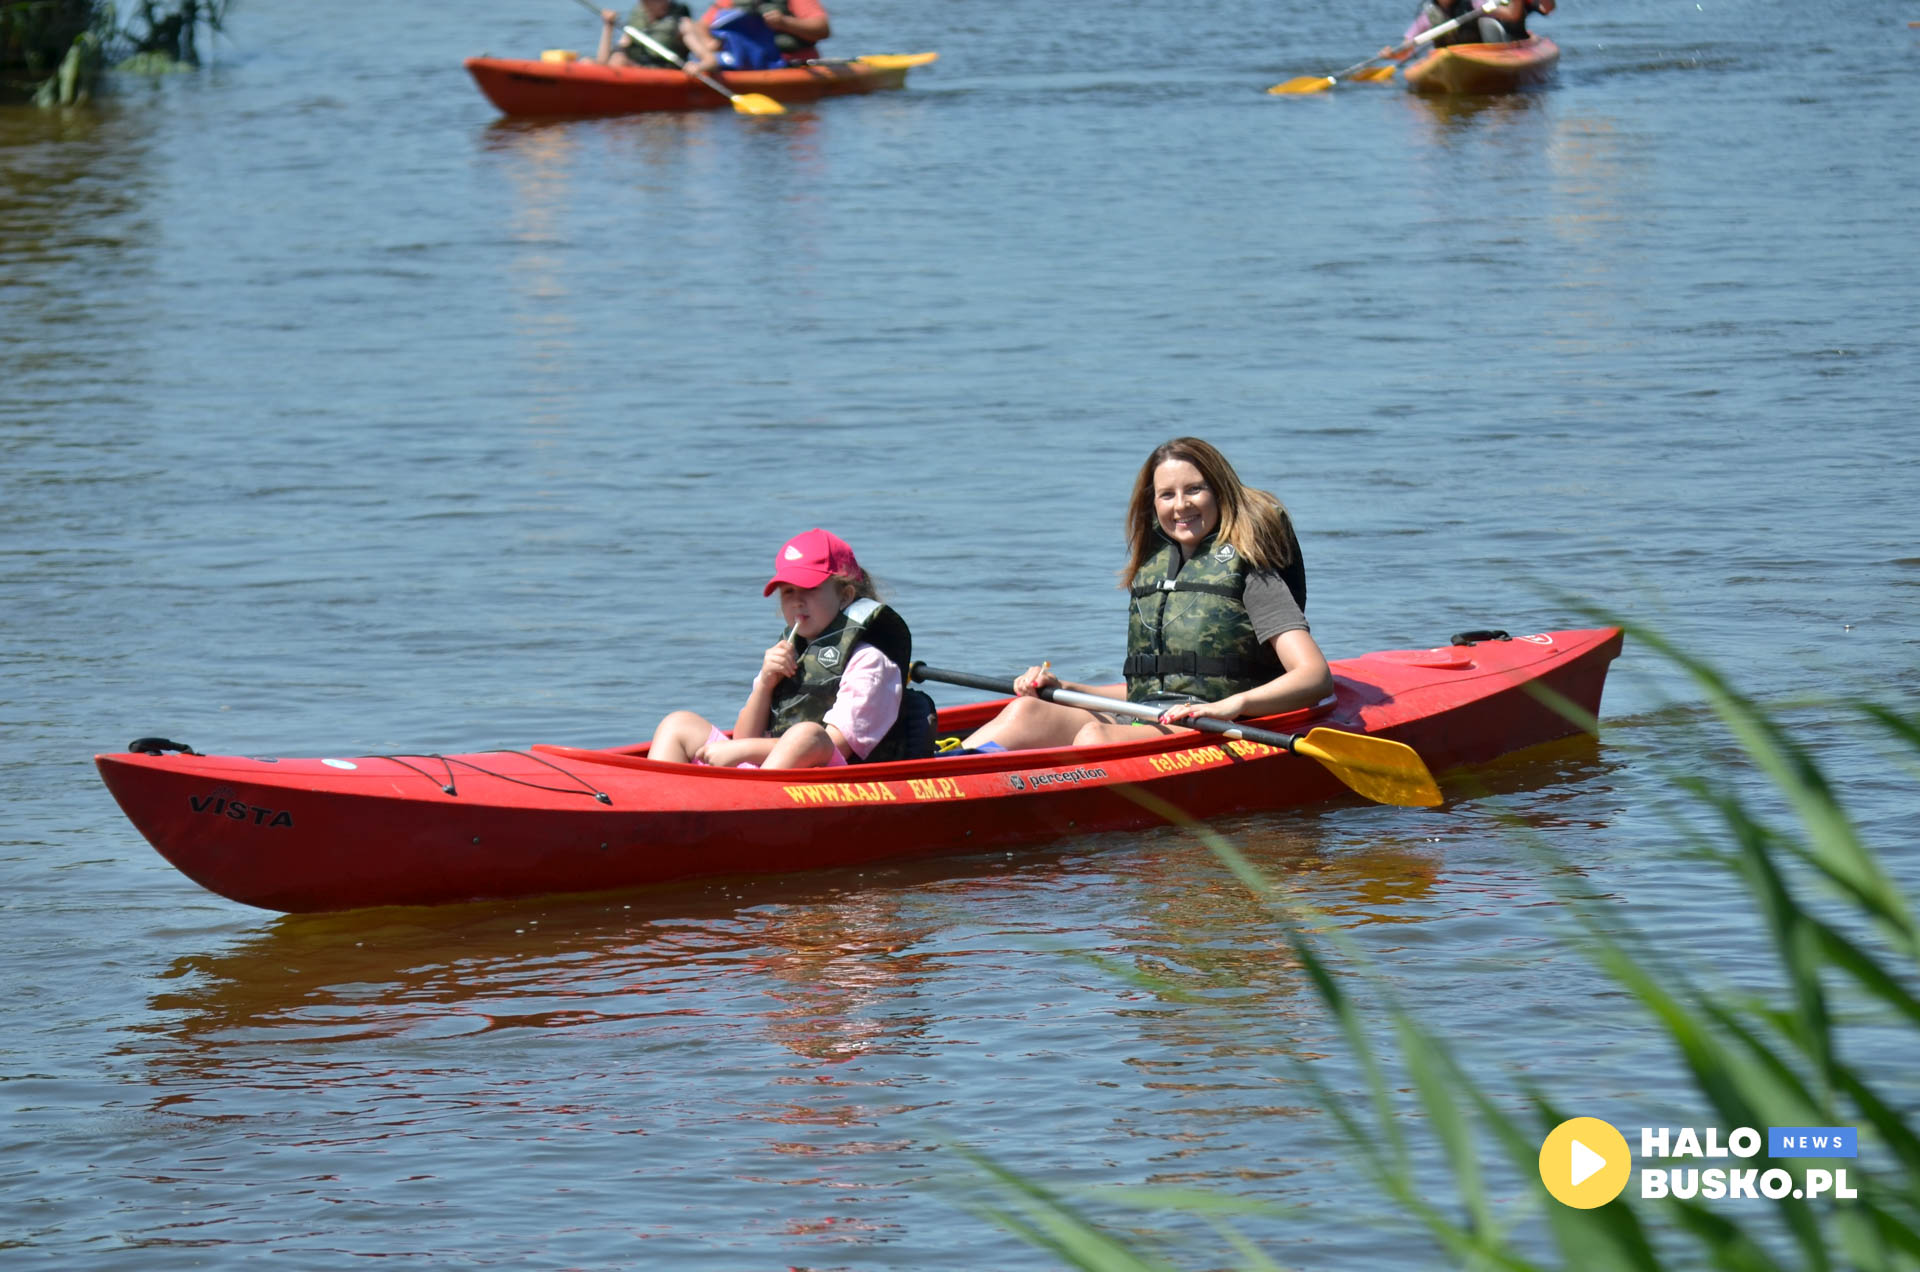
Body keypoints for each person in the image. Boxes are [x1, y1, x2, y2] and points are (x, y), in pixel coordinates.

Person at [960, 438, 1335, 752]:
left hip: (1210, 722)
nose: (1180, 505)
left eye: (1194, 489)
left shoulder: (1252, 573)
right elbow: (1153, 689)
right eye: (1166, 494)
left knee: (1095, 738)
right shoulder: (1157, 568)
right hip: (1149, 715)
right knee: (1027, 710)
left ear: (1220, 493)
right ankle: (948, 777)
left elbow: (1314, 677)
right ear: (1153, 504)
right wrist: (1067, 689)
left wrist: (1232, 705)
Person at [649, 528, 931, 770]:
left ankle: (745, 804)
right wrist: (765, 686)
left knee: (807, 734)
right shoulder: (786, 653)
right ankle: (654, 805)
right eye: (788, 592)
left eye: (808, 589)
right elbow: (743, 738)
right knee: (677, 724)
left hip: (833, 779)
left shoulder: (870, 662)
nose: (797, 601)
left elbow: (834, 746)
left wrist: (743, 752)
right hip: (770, 768)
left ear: (845, 595)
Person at [683, 0, 829, 76]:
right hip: (742, 65)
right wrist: (710, 43)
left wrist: (785, 22)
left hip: (790, 65)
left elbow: (822, 29)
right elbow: (702, 26)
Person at [1394, 0, 1553, 50]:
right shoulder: (1428, 15)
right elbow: (1408, 44)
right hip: (1451, 57)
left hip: (1479, 51)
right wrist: (1393, 53)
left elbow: (1512, 15)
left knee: (1488, 23)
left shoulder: (1475, 3)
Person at [595, 0, 698, 67]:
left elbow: (709, 60)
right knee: (617, 57)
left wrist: (696, 67)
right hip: (639, 68)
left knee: (619, 60)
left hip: (664, 72)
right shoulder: (638, 24)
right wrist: (608, 27)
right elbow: (602, 62)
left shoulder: (682, 24)